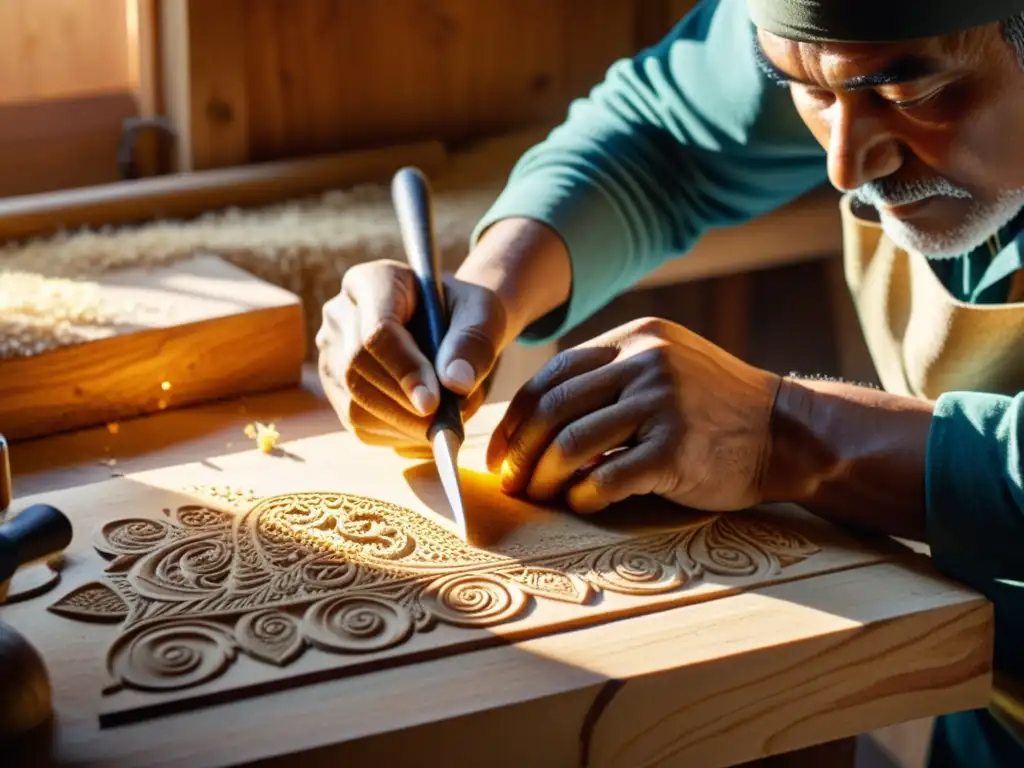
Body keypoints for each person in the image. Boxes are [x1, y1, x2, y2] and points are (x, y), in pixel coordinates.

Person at [315, 0, 1024, 764]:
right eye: (808, 90)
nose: (844, 168)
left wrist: (785, 433)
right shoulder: (857, 50)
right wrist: (485, 295)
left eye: (904, 96)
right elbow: (663, 139)